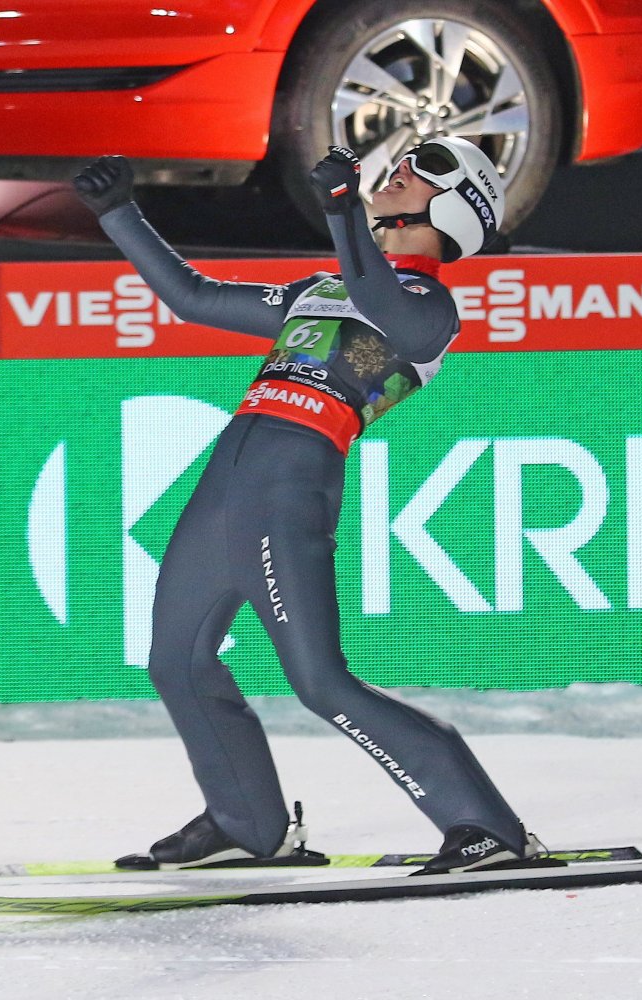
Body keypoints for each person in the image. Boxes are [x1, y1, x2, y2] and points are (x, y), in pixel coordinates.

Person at [72, 139, 552, 876]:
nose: (397, 171)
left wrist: (340, 213)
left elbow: (378, 299)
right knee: (175, 659)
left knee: (321, 682)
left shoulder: (430, 310)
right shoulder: (321, 288)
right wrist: (119, 213)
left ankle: (485, 825)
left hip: (289, 487)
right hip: (224, 485)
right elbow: (193, 297)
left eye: (420, 170)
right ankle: (248, 824)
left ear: (455, 208)